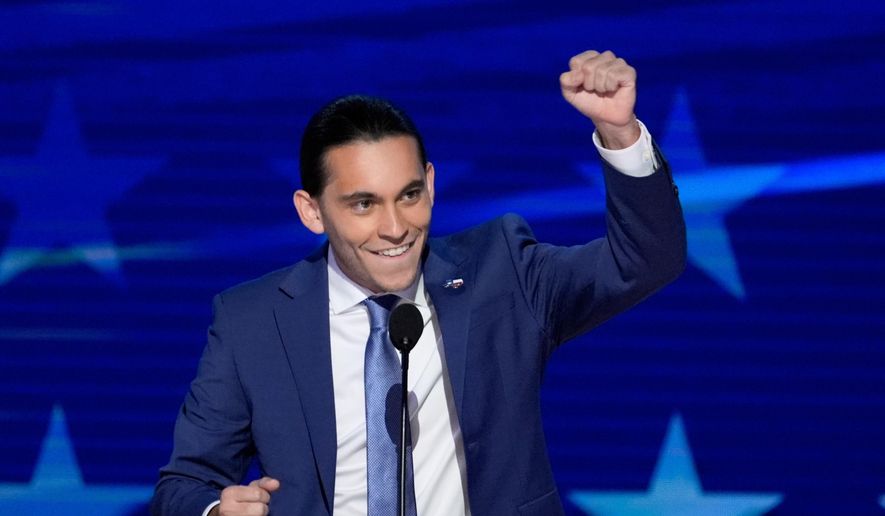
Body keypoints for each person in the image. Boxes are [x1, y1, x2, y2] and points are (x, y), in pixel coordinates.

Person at [151, 49, 686, 516]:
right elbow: (183, 484)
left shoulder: (502, 273)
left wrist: (620, 132)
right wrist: (216, 509)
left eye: (408, 195)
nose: (395, 227)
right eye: (363, 204)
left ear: (430, 183)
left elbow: (645, 260)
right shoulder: (253, 321)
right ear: (311, 212)